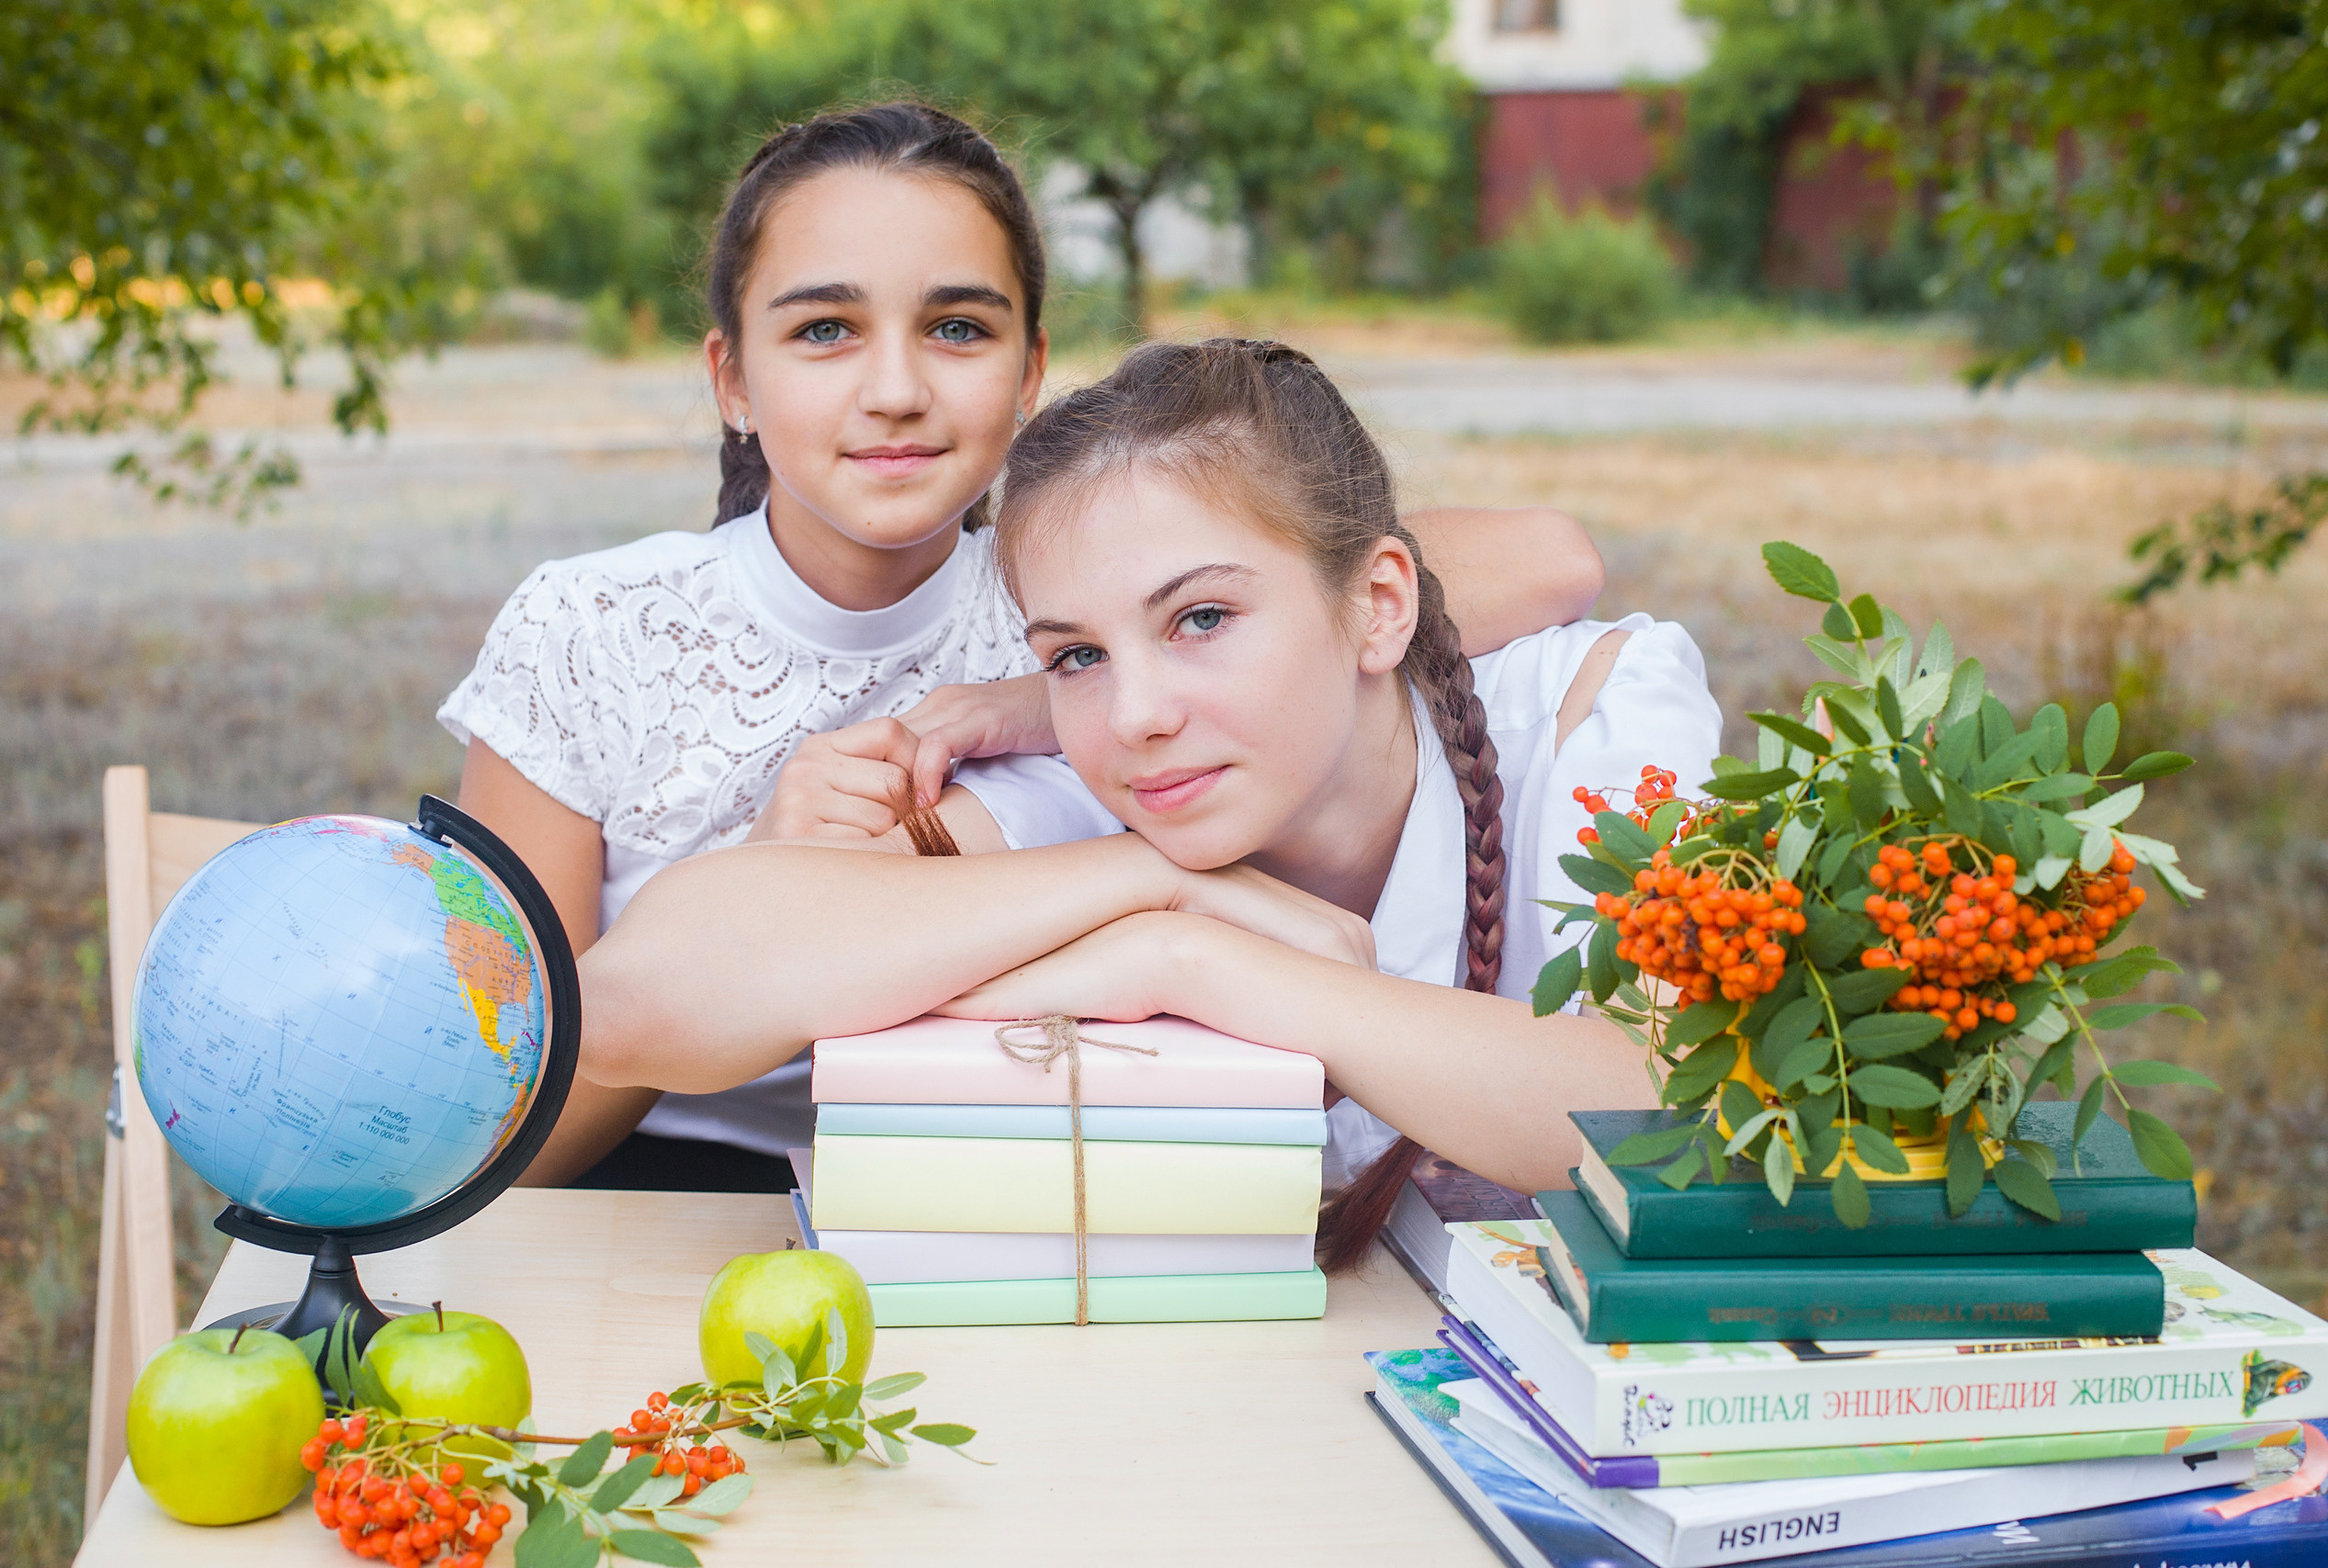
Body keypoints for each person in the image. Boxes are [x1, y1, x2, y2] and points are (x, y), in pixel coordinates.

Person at [438, 103, 1610, 1193]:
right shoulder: (592, 625)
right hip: (640, 1174)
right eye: (824, 330)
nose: (894, 390)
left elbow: (1531, 561)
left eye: (956, 328)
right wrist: (777, 868)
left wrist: (1028, 699)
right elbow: (505, 1108)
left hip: (972, 1173)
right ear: (731, 379)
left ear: (1030, 372)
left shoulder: (1080, 621)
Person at [572, 338, 1722, 1267]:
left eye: (1201, 619)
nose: (1134, 716)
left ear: (1379, 605)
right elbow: (629, 1007)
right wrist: (1151, 883)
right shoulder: (1100, 797)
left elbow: (1674, 1117)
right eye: (1074, 656)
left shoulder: (1587, 720)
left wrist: (1196, 964)